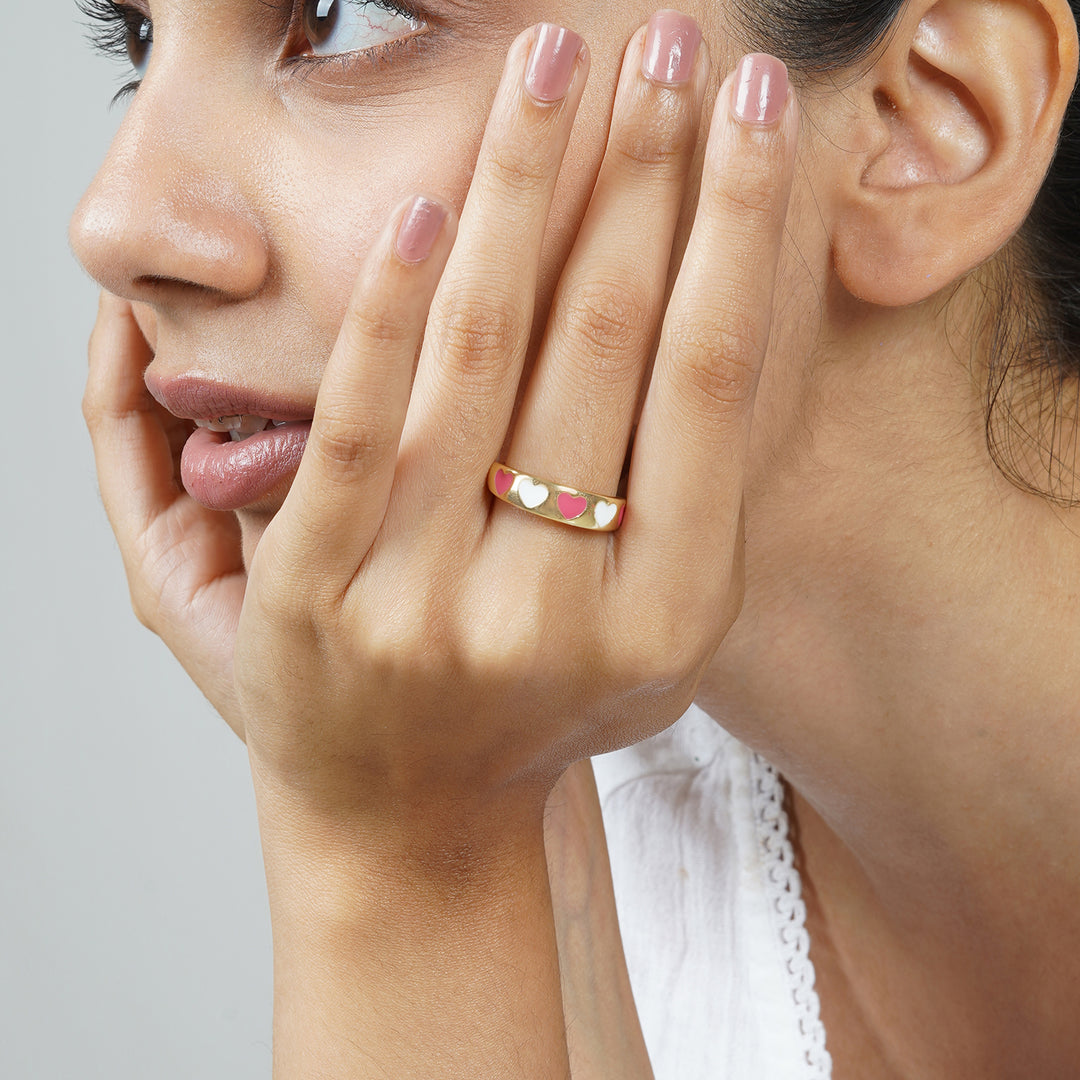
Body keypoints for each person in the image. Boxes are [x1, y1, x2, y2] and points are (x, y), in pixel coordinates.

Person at [69, 0, 1080, 1075]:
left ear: (931, 115)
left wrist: (406, 854)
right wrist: (444, 810)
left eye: (346, 16)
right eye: (135, 40)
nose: (114, 223)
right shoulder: (532, 762)